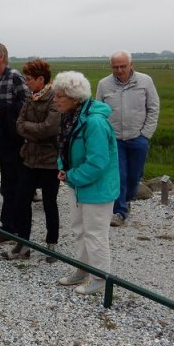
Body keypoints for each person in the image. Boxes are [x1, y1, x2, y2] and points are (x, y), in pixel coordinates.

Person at [53, 71, 119, 295]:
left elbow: (98, 163)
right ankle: (81, 269)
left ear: (75, 97)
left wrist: (72, 175)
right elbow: (65, 147)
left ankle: (100, 278)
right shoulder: (71, 117)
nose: (55, 100)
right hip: (79, 185)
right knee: (79, 229)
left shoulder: (95, 123)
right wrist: (63, 167)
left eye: (60, 96)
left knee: (95, 233)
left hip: (97, 189)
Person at [2, 59, 61, 261]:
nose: (26, 83)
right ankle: (23, 244)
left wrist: (31, 131)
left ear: (40, 79)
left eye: (29, 79)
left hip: (49, 161)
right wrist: (34, 131)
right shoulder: (31, 98)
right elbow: (19, 124)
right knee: (21, 201)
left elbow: (50, 128)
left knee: (49, 203)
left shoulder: (55, 100)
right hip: (29, 159)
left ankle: (51, 244)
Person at [96, 50, 160, 227]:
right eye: (115, 67)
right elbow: (98, 113)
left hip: (138, 138)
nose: (119, 70)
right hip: (114, 140)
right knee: (119, 176)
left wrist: (146, 134)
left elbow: (154, 108)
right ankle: (120, 211)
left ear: (131, 65)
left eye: (123, 66)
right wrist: (104, 135)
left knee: (134, 176)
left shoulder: (145, 81)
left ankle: (127, 199)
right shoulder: (104, 84)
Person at [0, 41, 29, 244]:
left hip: (16, 138)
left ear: (1, 57)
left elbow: (27, 103)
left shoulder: (15, 76)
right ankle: (12, 226)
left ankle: (10, 228)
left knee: (13, 183)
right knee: (7, 183)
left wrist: (2, 110)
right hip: (3, 136)